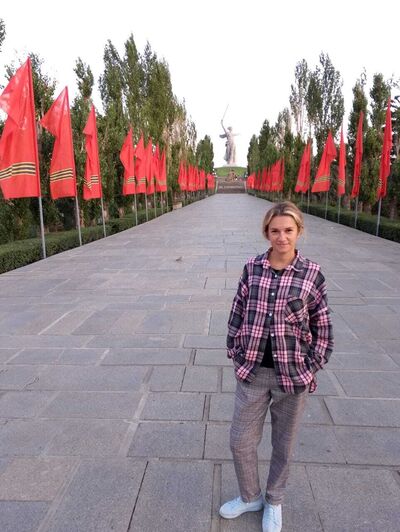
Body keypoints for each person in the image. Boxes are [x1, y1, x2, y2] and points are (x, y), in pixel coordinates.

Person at [219, 201, 334, 532]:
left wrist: (311, 367)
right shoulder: (252, 268)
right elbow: (237, 310)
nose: (282, 237)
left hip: (293, 376)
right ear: (266, 233)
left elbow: (323, 328)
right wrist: (235, 349)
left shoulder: (312, 274)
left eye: (288, 230)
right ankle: (250, 496)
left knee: (283, 445)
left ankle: (274, 500)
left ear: (299, 231)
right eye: (275, 231)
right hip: (253, 371)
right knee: (240, 441)